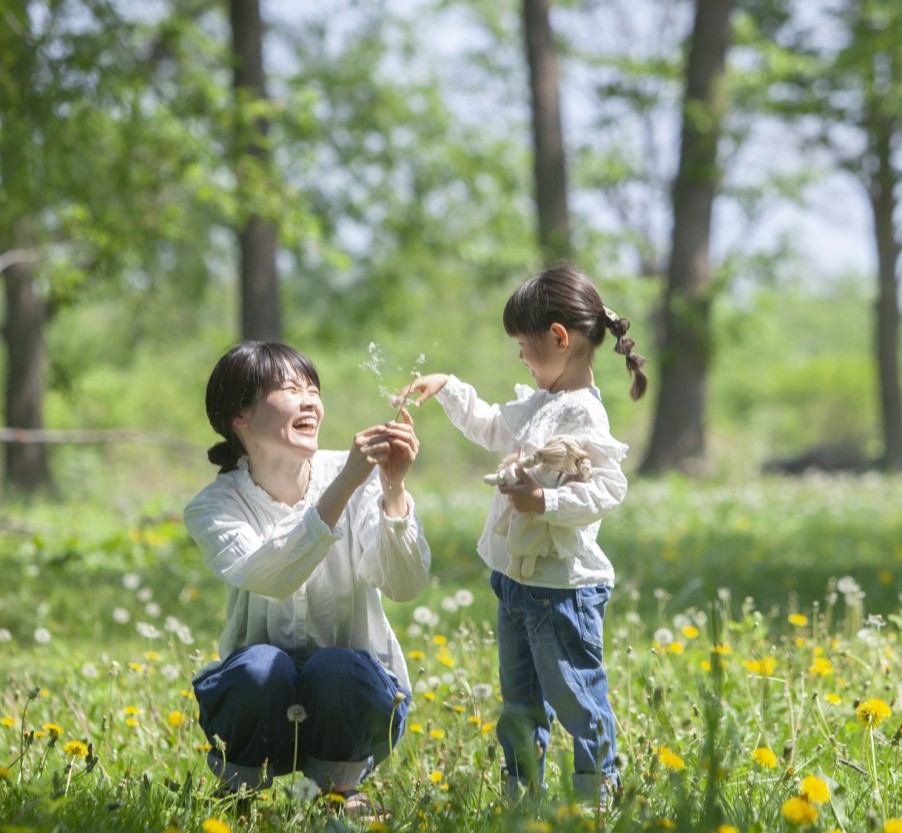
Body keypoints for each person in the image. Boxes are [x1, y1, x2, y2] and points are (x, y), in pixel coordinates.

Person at [398, 265, 647, 804]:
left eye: (523, 345)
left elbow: (608, 488)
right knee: (519, 700)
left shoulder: (581, 412)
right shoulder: (541, 403)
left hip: (561, 590)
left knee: (576, 695)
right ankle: (522, 794)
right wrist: (446, 387)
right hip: (514, 582)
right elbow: (490, 425)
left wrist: (545, 501)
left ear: (559, 337)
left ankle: (598, 791)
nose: (519, 357)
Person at [184, 341, 430, 812]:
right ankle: (239, 794)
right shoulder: (215, 506)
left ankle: (338, 792)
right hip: (260, 702)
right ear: (241, 416)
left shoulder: (355, 476)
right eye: (289, 389)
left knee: (336, 667)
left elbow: (405, 585)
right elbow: (270, 575)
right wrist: (345, 485)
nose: (309, 400)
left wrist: (393, 487)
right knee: (260, 666)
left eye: (313, 389)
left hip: (355, 693)